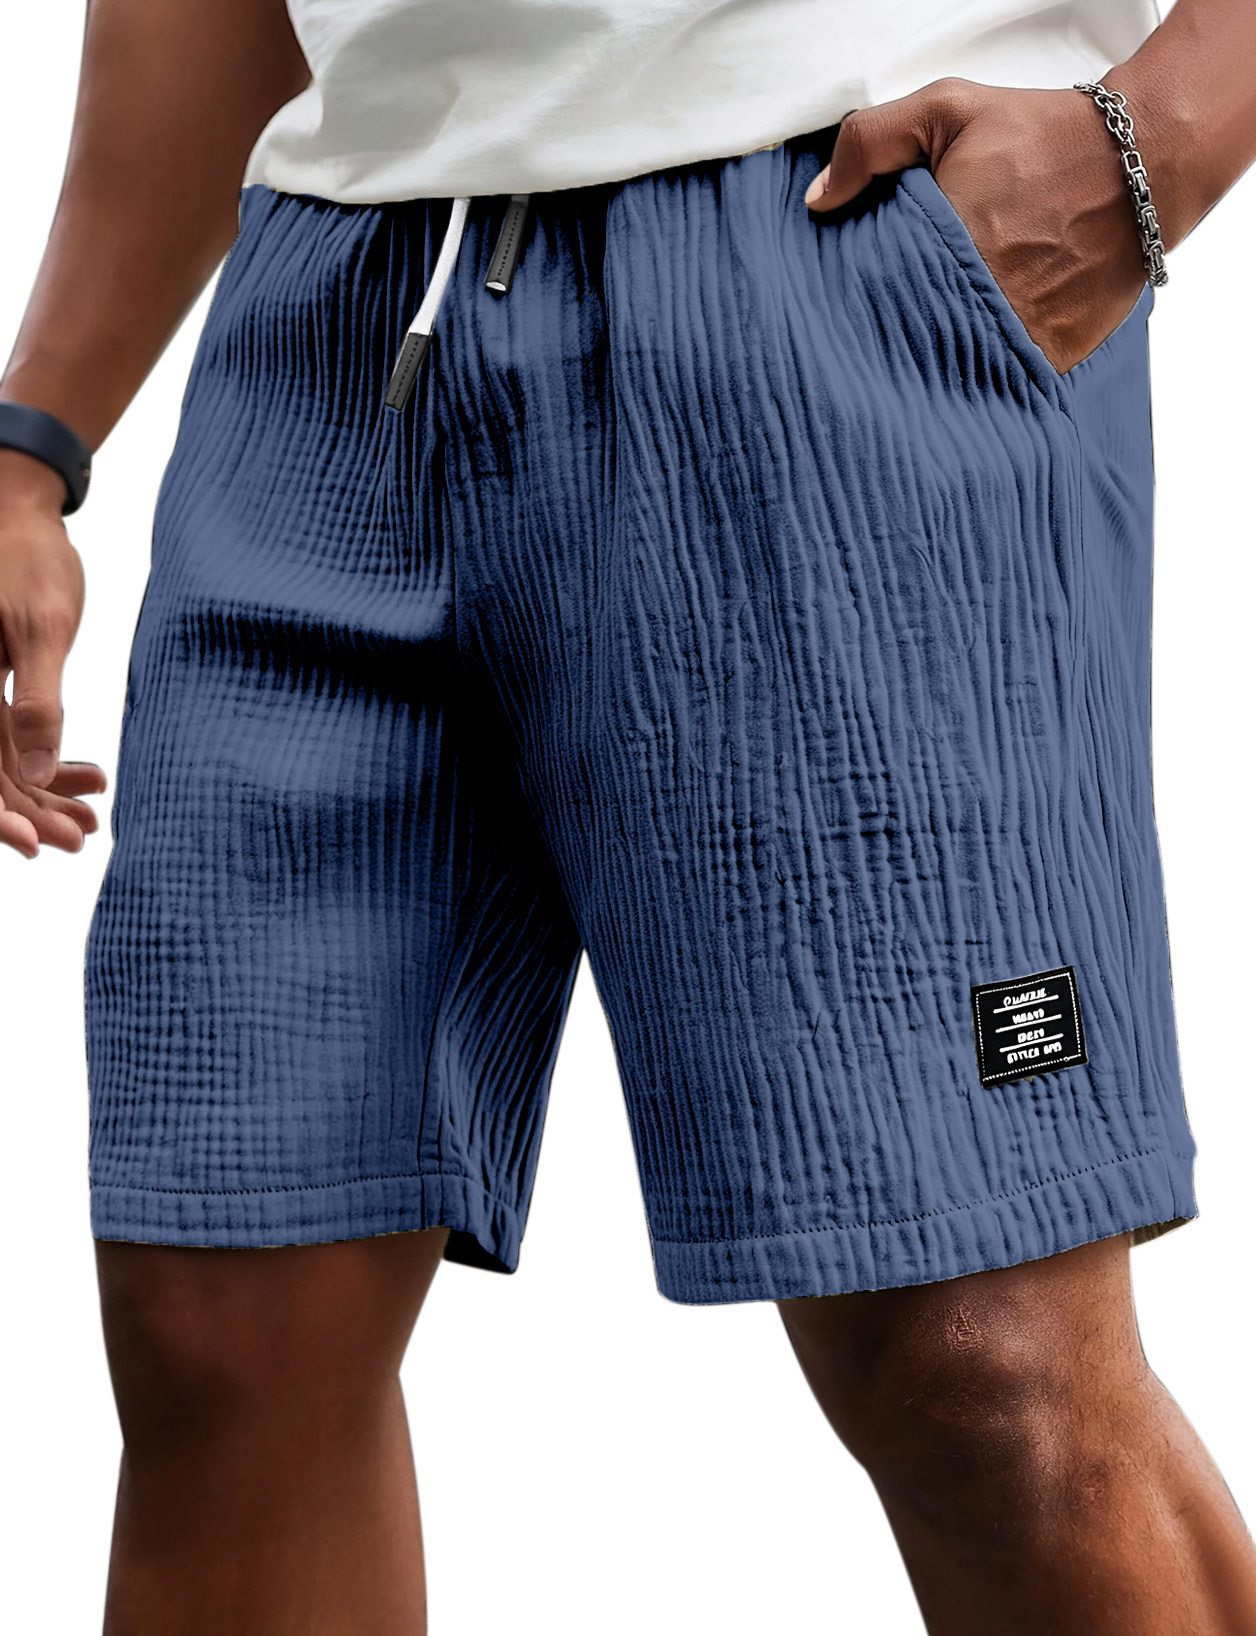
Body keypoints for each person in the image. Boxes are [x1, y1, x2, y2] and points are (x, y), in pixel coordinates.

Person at [1, 0, 1254, 1630]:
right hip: (334, 326)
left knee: (979, 1358)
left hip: (830, 248)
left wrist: (1170, 127)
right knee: (224, 1327)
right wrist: (37, 433)